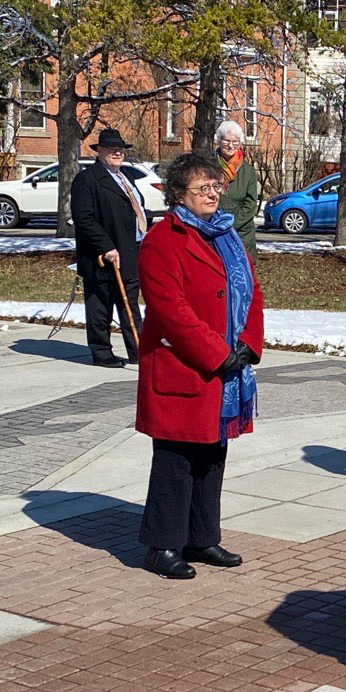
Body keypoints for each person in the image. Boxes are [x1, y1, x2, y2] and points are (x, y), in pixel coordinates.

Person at [135, 152, 263, 579]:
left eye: (216, 186)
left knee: (211, 456)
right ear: (177, 195)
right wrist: (217, 353)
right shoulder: (163, 239)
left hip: (225, 371)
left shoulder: (227, 235)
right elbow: (170, 308)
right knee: (176, 461)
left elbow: (253, 290)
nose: (212, 194)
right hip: (183, 367)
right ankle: (161, 545)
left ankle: (201, 537)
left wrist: (248, 344)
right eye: (202, 188)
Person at [71, 128, 146, 367]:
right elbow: (84, 218)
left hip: (130, 251)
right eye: (112, 149)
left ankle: (138, 351)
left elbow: (136, 210)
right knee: (100, 306)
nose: (117, 153)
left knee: (129, 304)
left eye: (120, 149)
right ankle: (102, 353)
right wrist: (105, 246)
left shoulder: (126, 178)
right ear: (99, 151)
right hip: (103, 256)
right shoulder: (88, 179)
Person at [215, 121, 259, 255]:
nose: (230, 145)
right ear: (219, 141)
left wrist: (230, 225)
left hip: (242, 234)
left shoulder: (248, 171)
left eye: (235, 141)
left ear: (240, 143)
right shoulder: (208, 167)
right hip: (214, 229)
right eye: (226, 140)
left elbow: (250, 204)